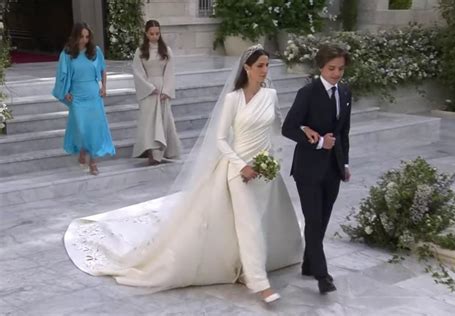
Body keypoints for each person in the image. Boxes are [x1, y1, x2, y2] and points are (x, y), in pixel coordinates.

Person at [64, 45, 303, 303]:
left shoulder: (271, 96)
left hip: (264, 170)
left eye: (267, 65)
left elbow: (277, 128)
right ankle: (260, 283)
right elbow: (222, 139)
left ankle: (246, 268)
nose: (265, 71)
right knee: (249, 225)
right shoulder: (233, 99)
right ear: (247, 68)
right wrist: (241, 165)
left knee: (263, 220)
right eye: (260, 66)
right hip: (238, 171)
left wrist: (271, 158)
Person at [282, 44, 352, 294]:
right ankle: (322, 276)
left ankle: (310, 264)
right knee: (313, 220)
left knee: (322, 220)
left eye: (340, 69)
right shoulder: (307, 93)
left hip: (333, 169)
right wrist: (320, 141)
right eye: (331, 68)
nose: (336, 73)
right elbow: (288, 128)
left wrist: (344, 163)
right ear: (320, 67)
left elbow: (344, 132)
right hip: (308, 169)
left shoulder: (344, 93)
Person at [52, 22, 115, 175]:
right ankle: (82, 150)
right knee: (81, 127)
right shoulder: (67, 54)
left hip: (93, 94)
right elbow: (62, 75)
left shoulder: (95, 51)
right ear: (75, 36)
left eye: (87, 37)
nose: (84, 40)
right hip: (77, 96)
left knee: (93, 128)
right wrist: (65, 91)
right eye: (81, 36)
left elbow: (103, 70)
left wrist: (104, 87)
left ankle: (93, 162)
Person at [132, 20, 181, 165]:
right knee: (149, 123)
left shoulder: (166, 50)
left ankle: (162, 152)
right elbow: (137, 71)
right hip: (148, 91)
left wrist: (166, 90)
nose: (154, 36)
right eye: (151, 33)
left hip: (161, 89)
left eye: (157, 33)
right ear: (146, 34)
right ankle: (150, 152)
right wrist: (148, 87)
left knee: (163, 120)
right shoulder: (140, 51)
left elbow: (170, 71)